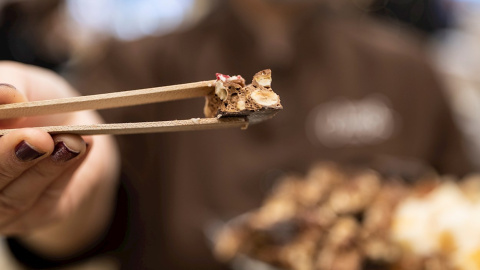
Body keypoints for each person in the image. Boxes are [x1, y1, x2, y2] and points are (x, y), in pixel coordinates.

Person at [0, 0, 472, 269]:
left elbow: (462, 208)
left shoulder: (406, 68)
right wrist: (57, 176)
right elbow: (85, 211)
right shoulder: (134, 64)